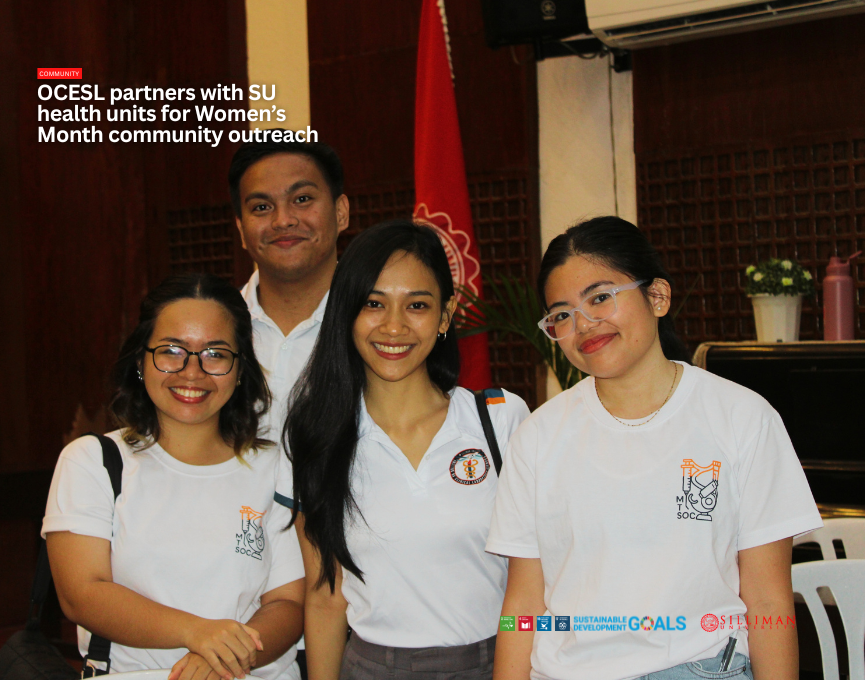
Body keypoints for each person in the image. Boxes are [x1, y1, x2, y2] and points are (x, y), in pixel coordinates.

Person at [487, 216, 823, 680]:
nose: (583, 324)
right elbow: (521, 606)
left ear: (658, 296)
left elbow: (768, 602)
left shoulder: (743, 417)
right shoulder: (538, 437)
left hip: (701, 668)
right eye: (562, 314)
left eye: (601, 297)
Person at [279, 220, 531, 680]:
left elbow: (532, 581)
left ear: (444, 316)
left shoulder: (500, 420)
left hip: (497, 665)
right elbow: (325, 595)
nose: (393, 326)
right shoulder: (319, 435)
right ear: (346, 313)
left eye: (417, 305)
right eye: (373, 304)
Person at [42, 273, 305, 680]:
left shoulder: (274, 466)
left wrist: (228, 656)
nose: (192, 371)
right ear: (140, 362)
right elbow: (82, 594)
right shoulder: (94, 461)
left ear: (240, 370)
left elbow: (288, 602)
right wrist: (198, 634)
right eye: (171, 351)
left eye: (215, 354)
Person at [229, 136, 349, 441]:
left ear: (341, 212)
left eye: (302, 199)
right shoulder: (213, 331)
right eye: (262, 207)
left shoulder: (380, 325)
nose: (282, 220)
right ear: (242, 231)